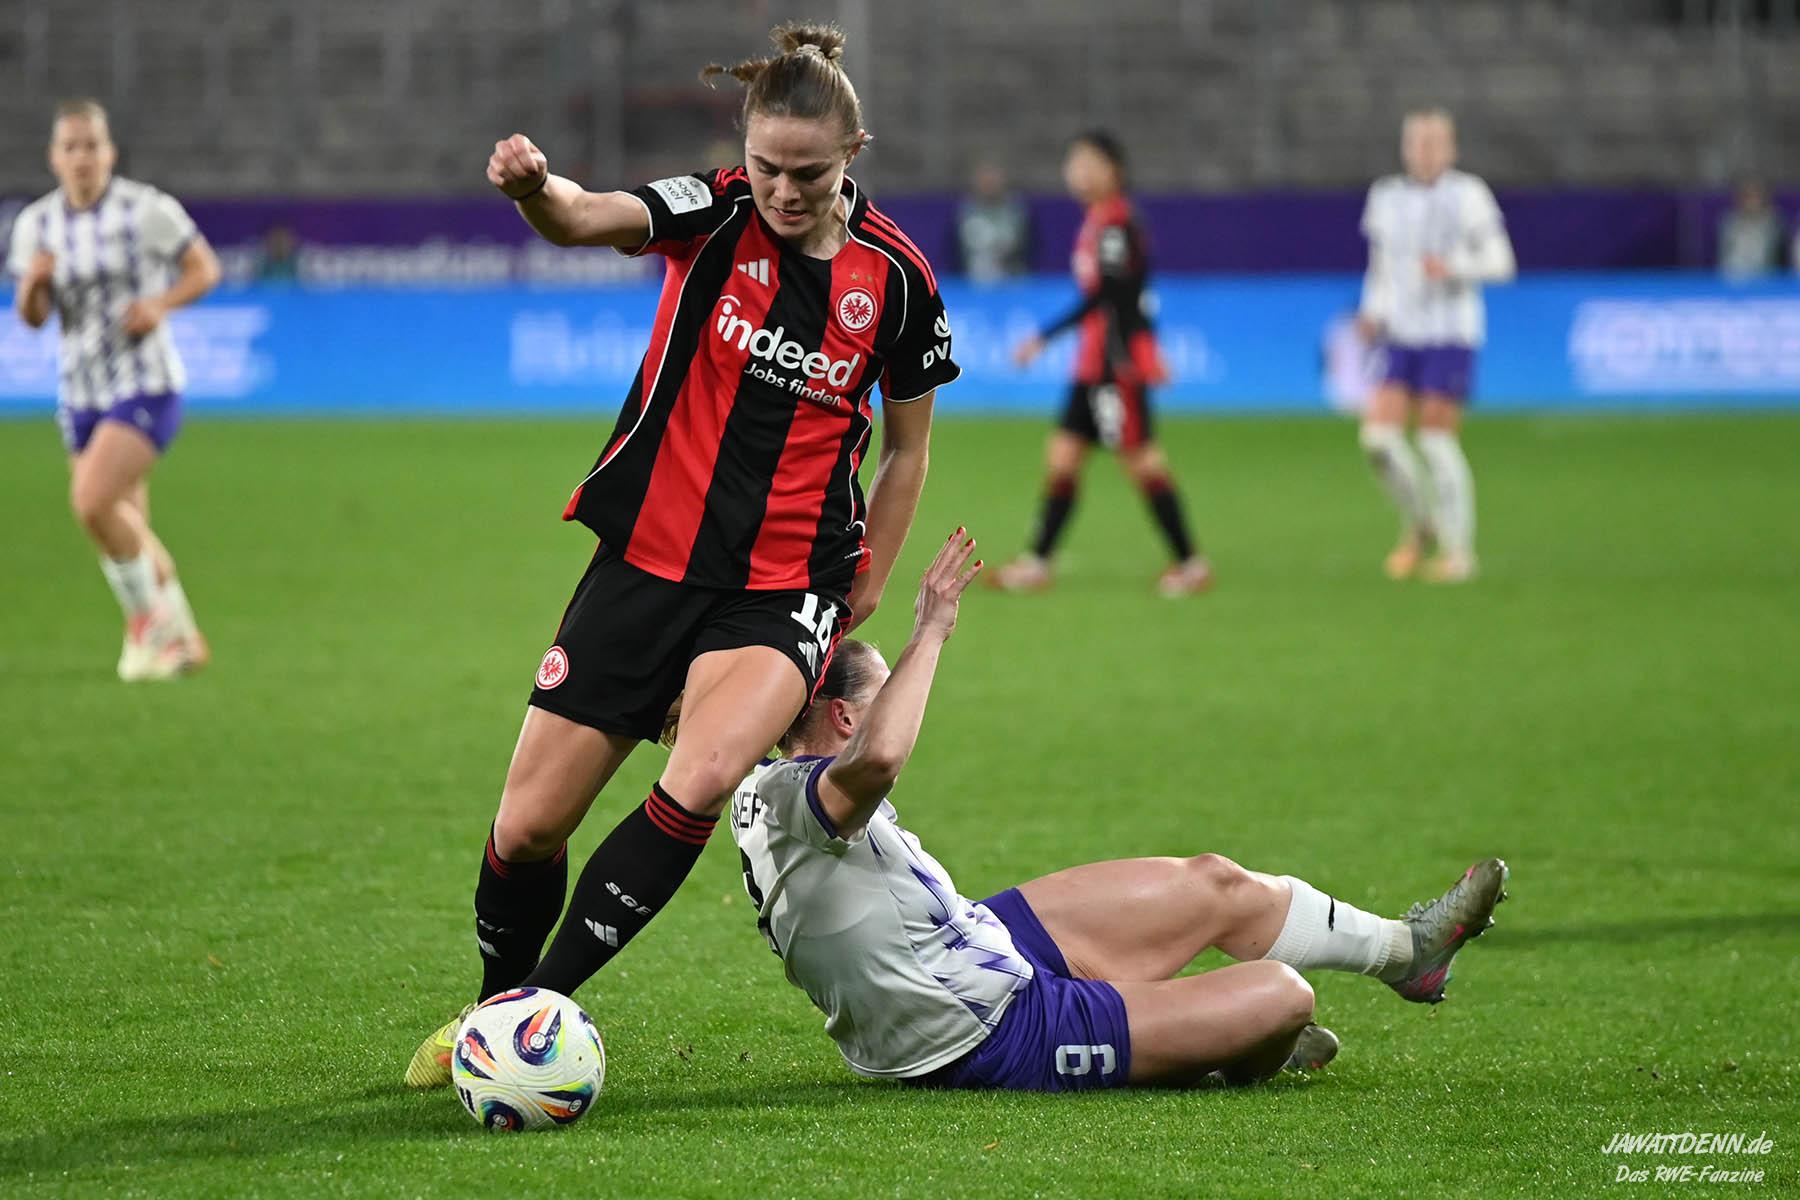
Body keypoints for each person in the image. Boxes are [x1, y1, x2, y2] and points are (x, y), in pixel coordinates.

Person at [405, 22, 961, 1088]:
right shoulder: (712, 212)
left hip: (785, 582)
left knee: (701, 776)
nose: (783, 191)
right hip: (646, 562)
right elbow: (582, 216)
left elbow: (907, 451)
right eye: (766, 166)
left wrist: (867, 583)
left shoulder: (897, 280)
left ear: (853, 155)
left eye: (808, 173)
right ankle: (491, 1009)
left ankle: (529, 1020)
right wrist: (532, 188)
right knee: (526, 829)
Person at [730, 531, 1509, 1090]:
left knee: (1212, 881)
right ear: (842, 718)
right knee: (1283, 994)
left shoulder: (763, 783)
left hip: (966, 947)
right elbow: (882, 758)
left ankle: (1407, 953)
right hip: (976, 1031)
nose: (899, 704)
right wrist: (929, 631)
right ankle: (1220, 1044)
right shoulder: (810, 792)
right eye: (883, 693)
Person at [8, 98, 220, 680]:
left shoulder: (145, 210)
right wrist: (33, 285)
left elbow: (204, 268)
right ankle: (183, 641)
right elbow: (33, 318)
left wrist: (159, 305)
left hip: (146, 382)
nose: (82, 157)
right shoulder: (36, 226)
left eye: (92, 146)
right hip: (81, 391)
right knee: (121, 525)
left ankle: (150, 626)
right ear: (54, 157)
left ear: (110, 153)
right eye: (71, 147)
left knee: (91, 501)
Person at [993, 131, 1211, 597]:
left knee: (1142, 462)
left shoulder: (1117, 224)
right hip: (1090, 367)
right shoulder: (1097, 222)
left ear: (1114, 171)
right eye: (1075, 163)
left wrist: (1044, 338)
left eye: (1089, 164)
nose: (1078, 172)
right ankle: (1037, 562)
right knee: (1063, 458)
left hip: (1114, 366)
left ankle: (1190, 564)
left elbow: (1111, 295)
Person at [1357, 108, 1514, 585]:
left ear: (1451, 149)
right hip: (1400, 333)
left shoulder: (1469, 195)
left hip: (1449, 334)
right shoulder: (1385, 196)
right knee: (1378, 440)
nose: (1424, 151)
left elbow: (1501, 262)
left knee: (1435, 441)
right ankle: (1422, 523)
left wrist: (1453, 267)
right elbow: (1380, 264)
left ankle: (1458, 553)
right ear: (1405, 148)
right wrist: (1371, 310)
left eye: (1433, 143)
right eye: (1417, 142)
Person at [955, 164, 1030, 282]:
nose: (989, 185)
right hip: (973, 278)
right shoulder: (966, 212)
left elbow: (1025, 246)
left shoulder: (1015, 211)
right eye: (985, 181)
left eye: (993, 181)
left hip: (1012, 276)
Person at [1717, 179, 1784, 281]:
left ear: (1764, 199)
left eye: (1756, 196)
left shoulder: (1774, 223)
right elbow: (1723, 256)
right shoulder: (1729, 223)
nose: (1752, 201)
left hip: (1766, 279)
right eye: (1748, 196)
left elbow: (1778, 259)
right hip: (1733, 279)